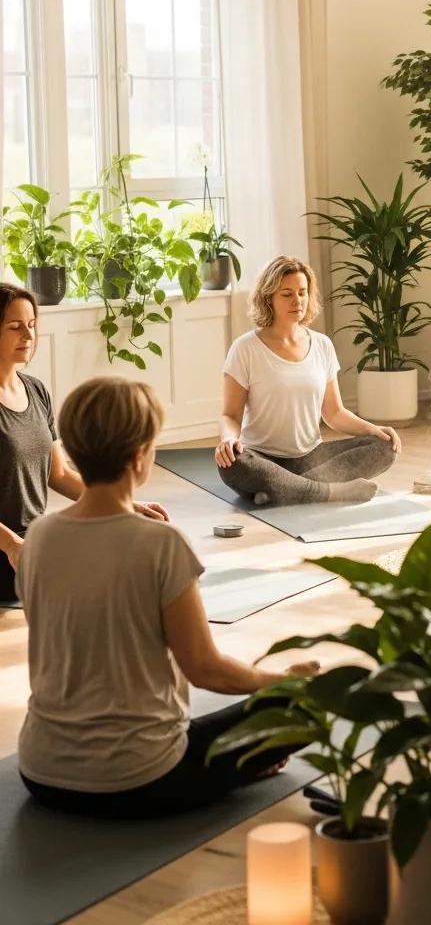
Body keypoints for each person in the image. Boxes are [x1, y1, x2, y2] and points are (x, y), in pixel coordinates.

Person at [17, 376, 319, 819]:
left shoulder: (39, 536)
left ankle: (241, 765)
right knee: (311, 702)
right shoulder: (159, 543)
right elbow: (206, 670)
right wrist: (282, 681)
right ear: (141, 456)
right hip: (141, 779)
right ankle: (244, 764)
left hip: (41, 773)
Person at [0, 283, 167, 602]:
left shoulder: (35, 390)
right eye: (15, 327)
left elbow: (58, 474)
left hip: (35, 539)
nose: (28, 335)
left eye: (32, 325)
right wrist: (11, 545)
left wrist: (126, 506)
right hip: (7, 549)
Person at [216, 256, 400, 506]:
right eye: (287, 294)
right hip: (260, 458)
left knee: (385, 446)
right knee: (233, 464)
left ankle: (284, 490)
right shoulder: (245, 348)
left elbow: (334, 413)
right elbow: (230, 414)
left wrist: (373, 429)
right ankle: (328, 492)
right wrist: (228, 440)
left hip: (311, 458)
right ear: (269, 298)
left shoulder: (322, 345)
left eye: (302, 293)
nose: (297, 301)